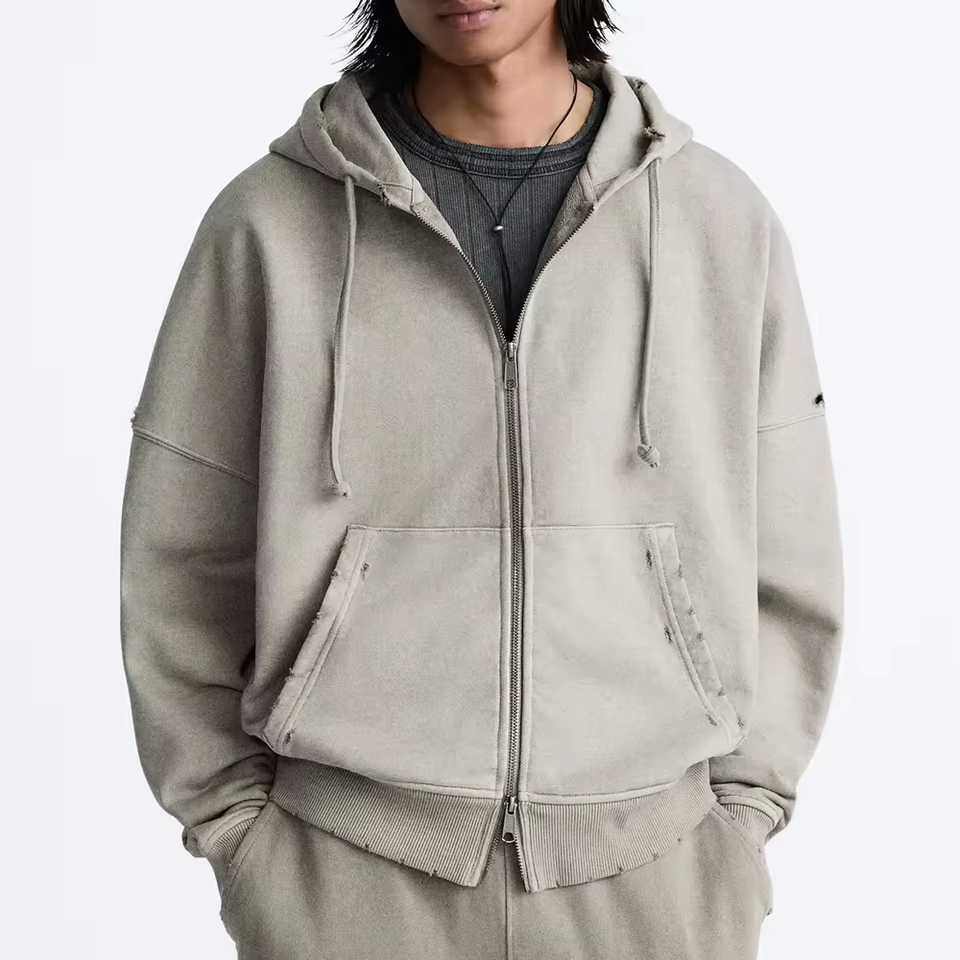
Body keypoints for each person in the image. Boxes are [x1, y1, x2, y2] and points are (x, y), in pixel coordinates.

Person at [119, 1, 845, 957]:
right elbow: (182, 553)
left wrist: (738, 822)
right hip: (342, 878)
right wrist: (238, 835)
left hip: (657, 877)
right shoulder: (269, 224)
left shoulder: (718, 219)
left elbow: (790, 546)